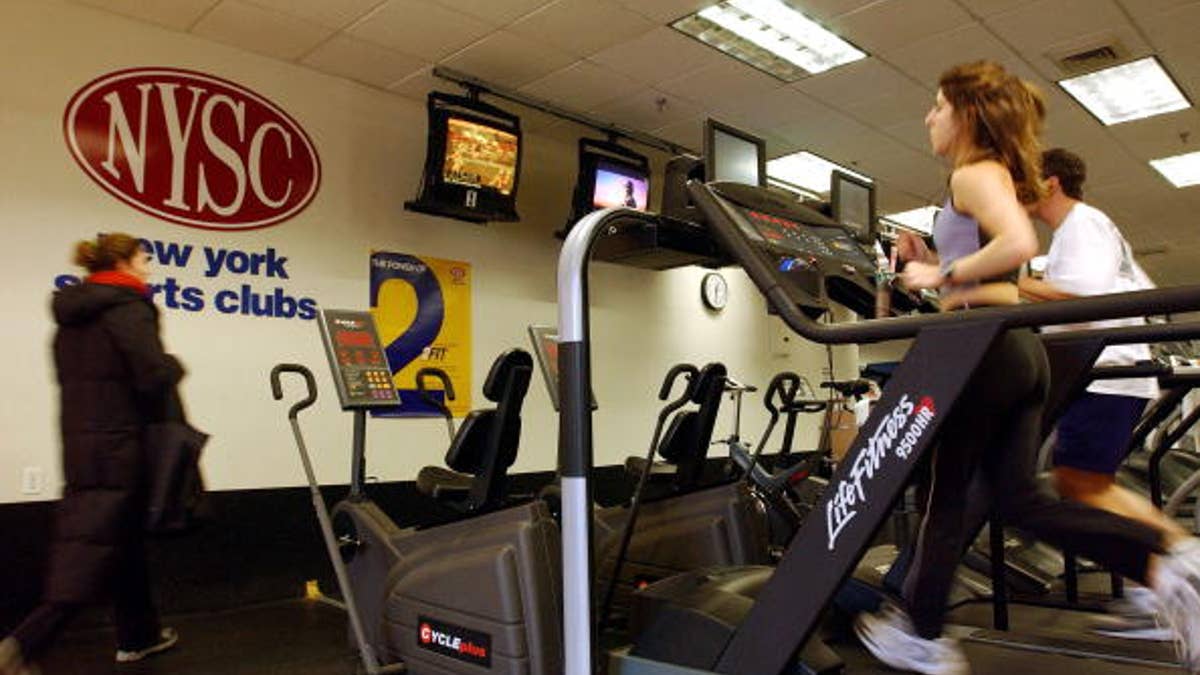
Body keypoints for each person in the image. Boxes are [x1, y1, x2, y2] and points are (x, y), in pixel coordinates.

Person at [852, 61, 1200, 675]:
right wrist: (927, 256)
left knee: (947, 500)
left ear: (967, 115)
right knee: (1020, 500)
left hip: (982, 352)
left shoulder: (972, 172)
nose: (929, 116)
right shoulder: (993, 176)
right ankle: (1166, 560)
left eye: (938, 104)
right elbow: (1001, 272)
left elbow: (1018, 245)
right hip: (1018, 353)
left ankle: (923, 635)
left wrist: (939, 274)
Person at [1021, 147, 1190, 639]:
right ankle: (1155, 584)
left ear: (1050, 183)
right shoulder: (1080, 229)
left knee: (1082, 485)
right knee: (1084, 484)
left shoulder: (1082, 223)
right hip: (1100, 371)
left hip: (1105, 371)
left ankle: (1181, 565)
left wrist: (1011, 282)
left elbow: (1087, 296)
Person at [1, 233, 182, 675]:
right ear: (122, 261)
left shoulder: (72, 315)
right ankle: (23, 644)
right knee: (91, 551)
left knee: (122, 542)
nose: (148, 266)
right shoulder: (128, 306)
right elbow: (152, 374)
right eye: (143, 258)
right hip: (122, 446)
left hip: (83, 444)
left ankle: (138, 636)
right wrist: (176, 365)